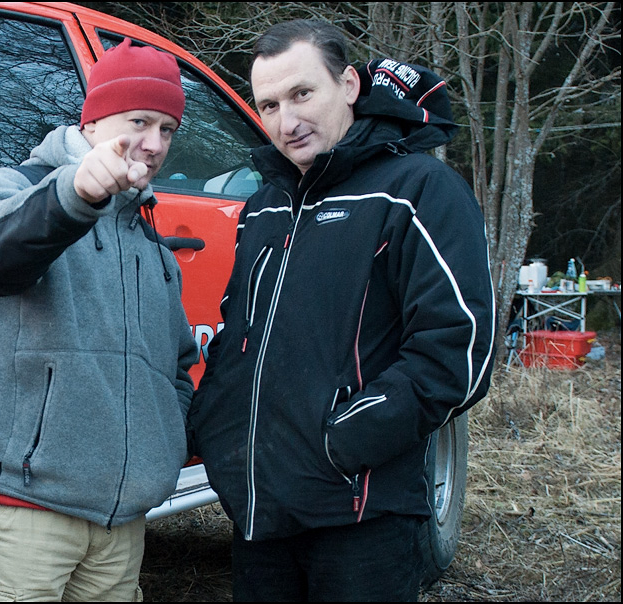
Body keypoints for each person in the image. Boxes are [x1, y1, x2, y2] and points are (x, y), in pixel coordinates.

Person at [188, 20, 496, 602]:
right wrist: (216, 426)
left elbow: (460, 349)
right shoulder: (264, 207)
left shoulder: (417, 189)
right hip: (260, 513)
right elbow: (237, 336)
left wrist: (343, 441)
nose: (287, 121)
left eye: (303, 94)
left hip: (361, 515)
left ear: (349, 85)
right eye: (270, 105)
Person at [0, 38, 198, 602]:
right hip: (23, 508)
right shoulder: (17, 187)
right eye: (139, 121)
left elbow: (177, 370)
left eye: (168, 129)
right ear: (93, 121)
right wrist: (75, 193)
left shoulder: (153, 250)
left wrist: (158, 452)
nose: (154, 143)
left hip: (120, 525)